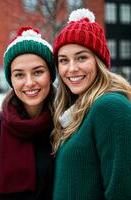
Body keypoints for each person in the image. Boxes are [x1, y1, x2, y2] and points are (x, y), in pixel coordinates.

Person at [52, 8, 131, 200]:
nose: (71, 68)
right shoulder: (79, 111)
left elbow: (122, 191)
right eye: (63, 60)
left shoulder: (111, 107)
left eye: (81, 57)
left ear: (99, 62)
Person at [0, 26, 56, 200]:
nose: (29, 82)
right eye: (19, 75)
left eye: (38, 72)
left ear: (50, 74)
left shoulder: (66, 124)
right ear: (11, 80)